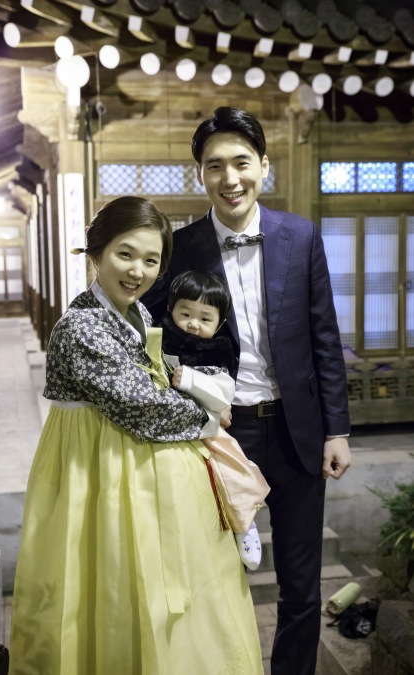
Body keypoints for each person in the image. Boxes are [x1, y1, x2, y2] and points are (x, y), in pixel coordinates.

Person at [8, 196, 264, 675]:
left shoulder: (138, 315)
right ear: (96, 252)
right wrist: (210, 414)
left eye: (151, 260)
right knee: (109, 590)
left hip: (135, 469)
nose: (137, 271)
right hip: (98, 472)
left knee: (161, 595)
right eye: (125, 254)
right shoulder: (81, 327)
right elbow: (144, 407)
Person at [142, 107, 352, 675]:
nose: (230, 178)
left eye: (241, 162)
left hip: (296, 430)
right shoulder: (179, 246)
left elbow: (324, 336)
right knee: (211, 578)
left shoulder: (301, 236)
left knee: (301, 584)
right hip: (218, 436)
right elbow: (150, 333)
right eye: (215, 166)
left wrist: (337, 429)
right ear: (199, 174)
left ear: (263, 164)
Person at [161, 269, 270, 570]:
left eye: (205, 319)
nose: (193, 324)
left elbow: (223, 395)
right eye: (185, 314)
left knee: (233, 473)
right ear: (170, 309)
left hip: (209, 431)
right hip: (168, 431)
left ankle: (245, 524)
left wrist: (189, 380)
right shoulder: (159, 340)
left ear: (220, 324)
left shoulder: (218, 351)